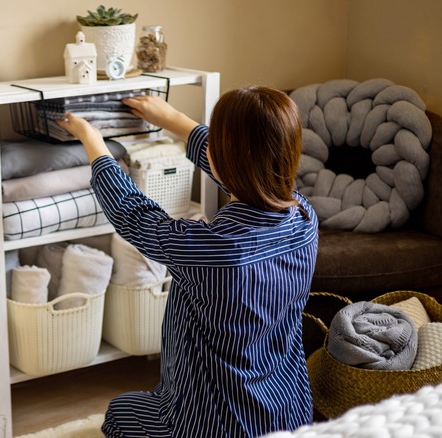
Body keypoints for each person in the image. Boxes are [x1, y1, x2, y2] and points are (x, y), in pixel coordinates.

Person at [55, 86, 318, 437]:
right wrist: (173, 120)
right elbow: (244, 172)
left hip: (210, 427)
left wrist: (93, 140)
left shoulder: (211, 250)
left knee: (118, 414)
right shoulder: (304, 219)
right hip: (290, 415)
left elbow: (133, 214)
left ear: (224, 159)